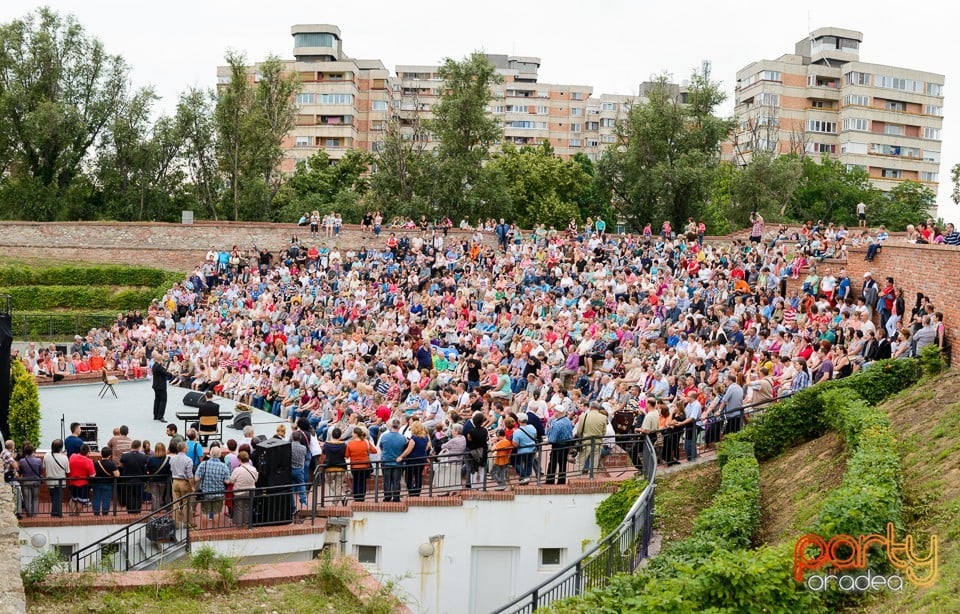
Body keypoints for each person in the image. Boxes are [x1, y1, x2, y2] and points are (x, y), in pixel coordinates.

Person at [195, 446, 230, 525]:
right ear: (220, 454)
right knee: (216, 512)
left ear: (210, 454)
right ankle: (215, 530)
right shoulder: (223, 466)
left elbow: (196, 478)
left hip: (205, 492)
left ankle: (204, 530)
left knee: (205, 512)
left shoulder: (204, 464)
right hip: (219, 492)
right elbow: (227, 481)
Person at [345, 426, 377, 502]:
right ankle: (362, 496)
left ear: (355, 434)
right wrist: (367, 452)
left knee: (355, 481)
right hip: (365, 465)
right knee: (363, 481)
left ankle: (356, 497)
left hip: (354, 465)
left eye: (352, 433)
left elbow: (346, 455)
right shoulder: (366, 441)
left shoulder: (350, 443)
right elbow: (374, 451)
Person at [379, 418, 407, 502]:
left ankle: (387, 496)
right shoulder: (402, 438)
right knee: (396, 480)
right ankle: (396, 497)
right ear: (399, 427)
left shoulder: (384, 436)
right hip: (397, 462)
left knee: (387, 480)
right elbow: (404, 448)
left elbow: (381, 447)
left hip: (386, 461)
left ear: (391, 426)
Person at [228, 451, 258, 527]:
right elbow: (256, 480)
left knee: (239, 509)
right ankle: (246, 523)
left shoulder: (237, 470)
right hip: (251, 491)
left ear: (240, 459)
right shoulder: (253, 469)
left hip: (239, 491)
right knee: (247, 508)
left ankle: (239, 525)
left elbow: (231, 480)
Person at [545, 407, 575, 485]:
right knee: (562, 464)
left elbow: (552, 439)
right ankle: (561, 481)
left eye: (555, 411)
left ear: (559, 412)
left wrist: (548, 435)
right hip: (566, 445)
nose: (554, 412)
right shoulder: (568, 421)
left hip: (558, 445)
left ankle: (550, 481)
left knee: (552, 463)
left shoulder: (558, 423)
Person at [169, 441, 195, 528]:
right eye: (187, 447)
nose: (188, 448)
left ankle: (175, 523)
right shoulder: (188, 460)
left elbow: (171, 469)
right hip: (184, 482)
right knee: (186, 503)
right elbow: (190, 475)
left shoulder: (172, 459)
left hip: (175, 481)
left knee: (175, 503)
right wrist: (192, 486)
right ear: (184, 448)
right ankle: (187, 523)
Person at [119, 440, 148, 514]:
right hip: (139, 479)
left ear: (131, 446)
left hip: (128, 479)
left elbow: (121, 466)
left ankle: (130, 510)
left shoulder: (125, 456)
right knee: (138, 495)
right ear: (139, 447)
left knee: (129, 495)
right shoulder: (143, 456)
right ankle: (137, 510)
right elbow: (145, 467)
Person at [320, 427, 348, 504]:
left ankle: (339, 498)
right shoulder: (344, 445)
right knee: (338, 486)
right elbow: (346, 455)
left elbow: (324, 453)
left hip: (329, 467)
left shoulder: (326, 444)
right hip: (341, 467)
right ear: (340, 436)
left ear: (332, 435)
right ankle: (336, 501)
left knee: (329, 482)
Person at [43, 439, 69, 517]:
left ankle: (55, 512)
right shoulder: (64, 458)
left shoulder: (46, 456)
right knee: (58, 497)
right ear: (61, 448)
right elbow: (67, 470)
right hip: (60, 481)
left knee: (53, 496)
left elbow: (44, 466)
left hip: (50, 480)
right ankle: (56, 513)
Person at [67, 444, 96, 514]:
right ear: (88, 452)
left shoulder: (72, 456)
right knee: (81, 501)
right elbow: (93, 475)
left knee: (73, 499)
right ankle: (77, 514)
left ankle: (71, 513)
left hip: (72, 482)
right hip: (83, 484)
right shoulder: (89, 461)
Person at [92, 447, 120, 516]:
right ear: (109, 455)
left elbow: (92, 473)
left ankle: (96, 513)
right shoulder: (112, 464)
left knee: (96, 498)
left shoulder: (96, 463)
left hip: (97, 483)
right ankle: (105, 513)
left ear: (101, 454)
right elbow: (117, 475)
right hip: (108, 484)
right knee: (106, 499)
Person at [18, 444, 43, 517]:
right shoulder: (38, 460)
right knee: (35, 498)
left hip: (25, 481)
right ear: (33, 451)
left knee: (27, 498)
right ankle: (34, 514)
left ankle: (28, 514)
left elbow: (20, 471)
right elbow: (40, 470)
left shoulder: (22, 461)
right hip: (35, 481)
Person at [145, 442, 171, 510]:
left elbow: (147, 469)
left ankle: (155, 510)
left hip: (153, 480)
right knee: (160, 495)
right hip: (164, 480)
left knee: (154, 495)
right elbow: (169, 470)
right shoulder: (167, 459)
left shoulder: (151, 459)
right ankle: (158, 508)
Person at [152, 352, 172, 421]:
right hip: (161, 386)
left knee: (157, 400)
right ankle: (160, 416)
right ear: (160, 360)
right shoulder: (159, 367)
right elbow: (167, 373)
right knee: (163, 400)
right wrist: (171, 374)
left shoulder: (154, 365)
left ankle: (155, 415)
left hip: (155, 385)